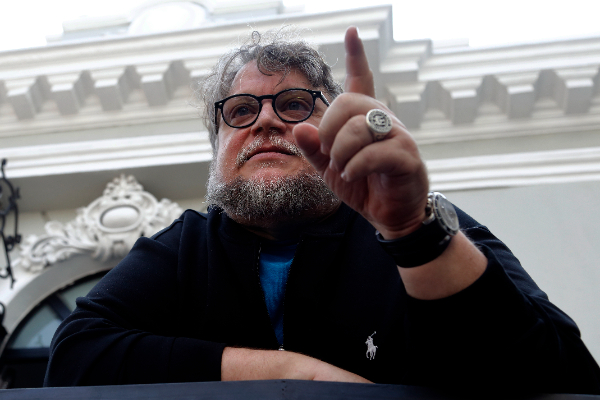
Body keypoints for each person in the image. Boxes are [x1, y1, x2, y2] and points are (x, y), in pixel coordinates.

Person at [44, 27, 600, 394]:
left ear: (338, 130)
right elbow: (72, 357)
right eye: (239, 111)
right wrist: (288, 374)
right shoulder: (187, 248)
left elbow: (559, 376)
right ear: (217, 147)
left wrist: (410, 231)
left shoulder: (418, 220)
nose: (264, 121)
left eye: (293, 105)